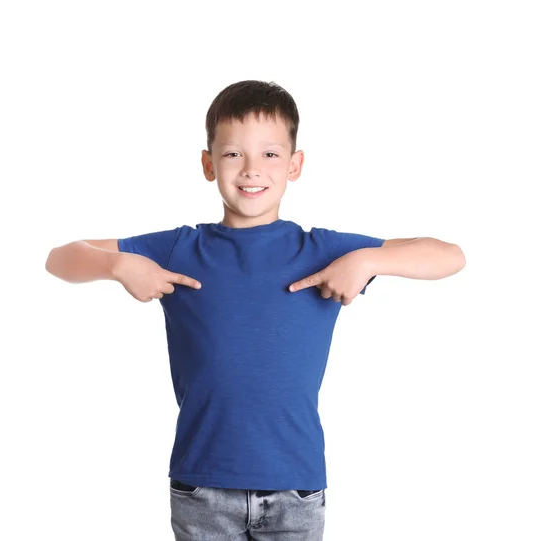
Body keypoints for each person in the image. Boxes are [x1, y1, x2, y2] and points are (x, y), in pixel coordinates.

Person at [45, 80, 465, 540]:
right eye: (232, 155)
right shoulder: (180, 247)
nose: (251, 170)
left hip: (295, 487)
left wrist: (369, 260)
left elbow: (449, 255)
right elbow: (60, 258)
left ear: (294, 165)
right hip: (202, 485)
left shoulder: (321, 249)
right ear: (208, 164)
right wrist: (118, 264)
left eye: (269, 154)